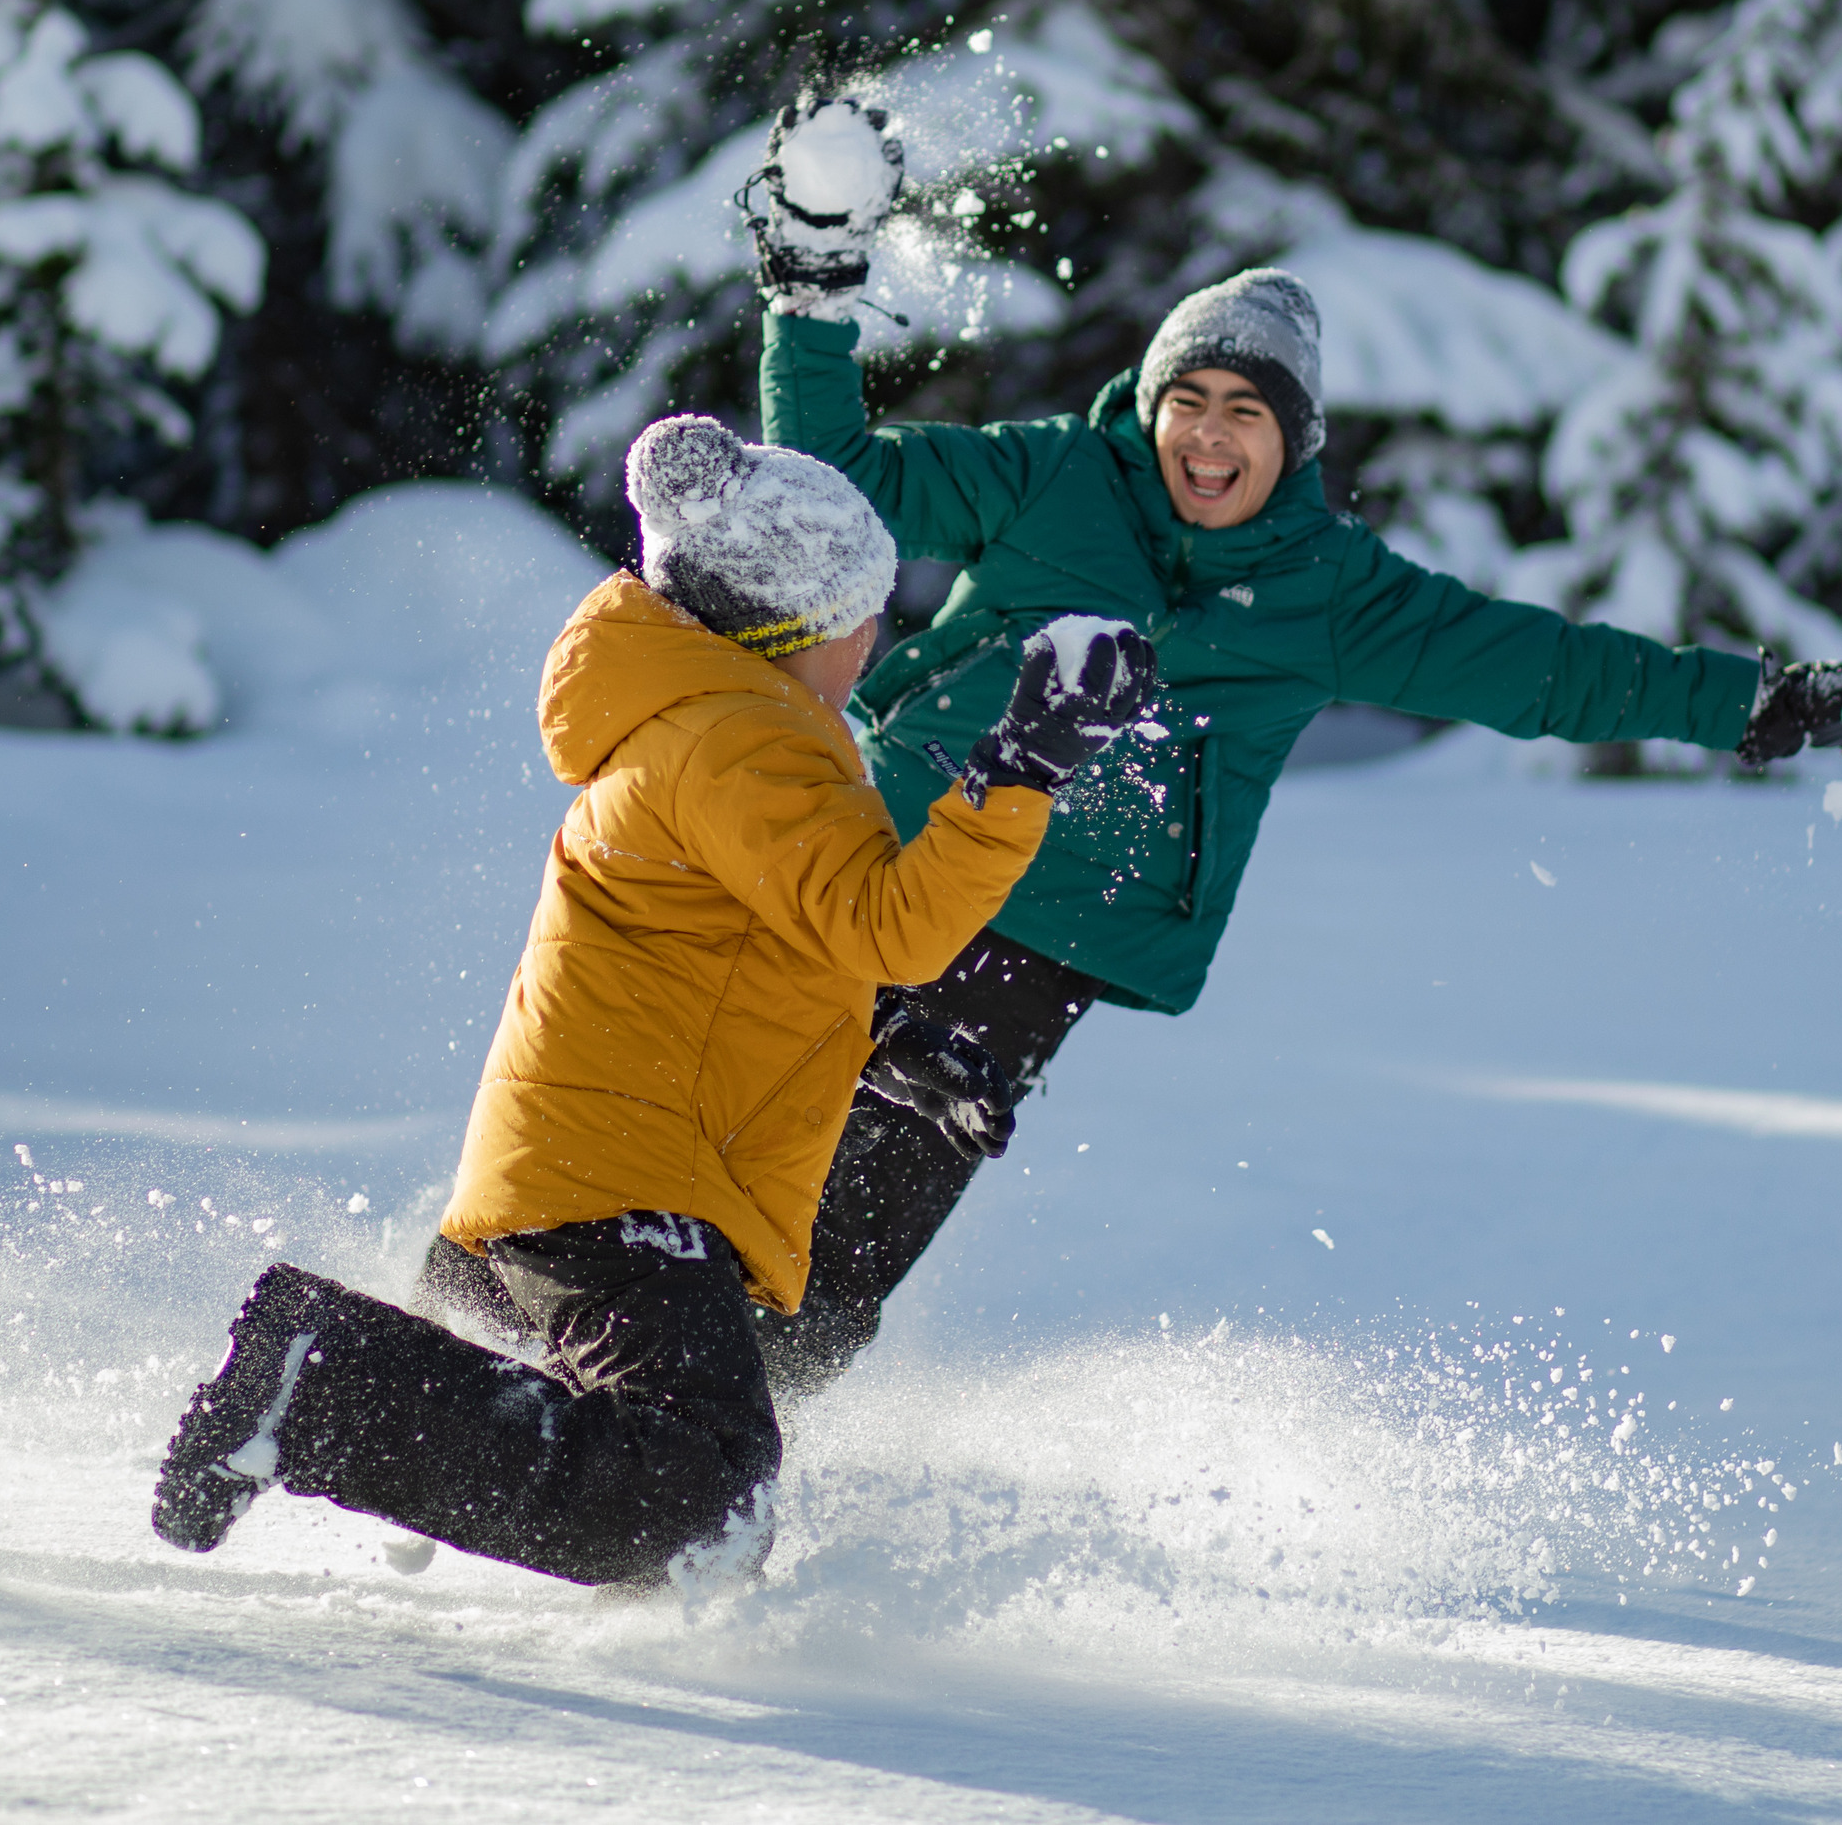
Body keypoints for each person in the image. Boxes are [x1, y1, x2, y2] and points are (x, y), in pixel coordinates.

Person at [731, 96, 1842, 1390]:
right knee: (737, 1117)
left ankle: (734, 1432)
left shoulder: (1331, 592)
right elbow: (838, 482)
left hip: (1048, 936)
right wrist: (811, 290)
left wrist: (1764, 704)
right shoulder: (1056, 475)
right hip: (896, 844)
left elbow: (1542, 667)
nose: (1208, 432)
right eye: (1188, 398)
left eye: (1246, 411)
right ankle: (582, 1294)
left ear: (1297, 438)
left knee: (863, 1209)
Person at [150, 412, 1159, 1586]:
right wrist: (1019, 766)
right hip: (623, 1181)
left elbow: (733, 950)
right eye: (863, 618)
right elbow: (887, 921)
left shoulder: (703, 727)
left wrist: (884, 1039)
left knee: (697, 1489)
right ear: (795, 632)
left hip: (595, 1166)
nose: (877, 644)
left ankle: (344, 1394)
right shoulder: (743, 741)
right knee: (698, 1493)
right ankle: (317, 1385)